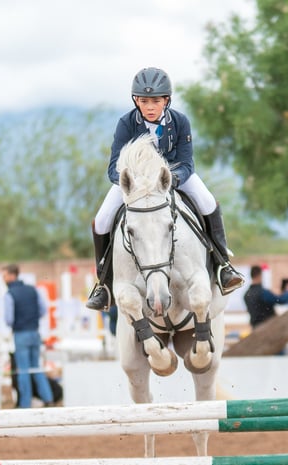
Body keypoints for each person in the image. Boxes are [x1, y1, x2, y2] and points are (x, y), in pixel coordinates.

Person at [86, 66, 244, 311]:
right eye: (144, 101)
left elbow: (187, 162)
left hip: (172, 175)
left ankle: (223, 265)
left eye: (156, 101)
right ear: (136, 100)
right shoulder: (126, 124)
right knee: (102, 220)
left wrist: (171, 179)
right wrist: (135, 183)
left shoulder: (180, 121)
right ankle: (103, 285)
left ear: (166, 100)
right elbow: (112, 169)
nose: (150, 107)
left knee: (208, 202)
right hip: (136, 183)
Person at [2, 263, 53, 408]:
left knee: (23, 370)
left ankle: (25, 403)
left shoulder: (10, 294)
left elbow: (9, 319)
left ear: (12, 275)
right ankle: (47, 398)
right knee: (36, 368)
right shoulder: (32, 290)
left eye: (5, 276)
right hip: (35, 333)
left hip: (20, 334)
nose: (3, 279)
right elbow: (43, 310)